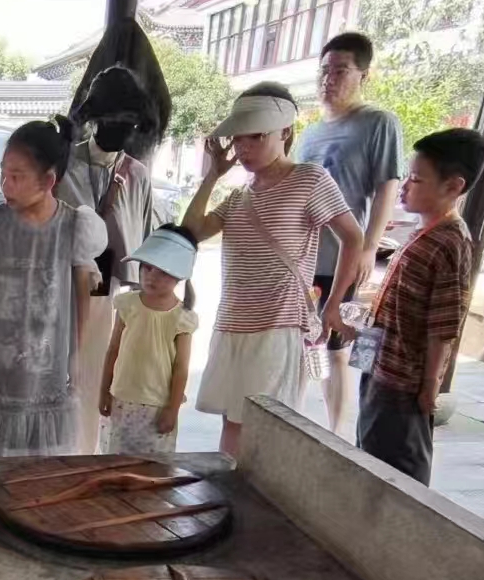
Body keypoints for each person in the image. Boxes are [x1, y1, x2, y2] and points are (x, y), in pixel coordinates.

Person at [181, 82, 365, 456]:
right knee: (232, 423)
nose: (243, 148)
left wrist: (332, 304)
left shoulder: (310, 179)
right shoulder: (239, 196)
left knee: (267, 427)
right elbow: (191, 231)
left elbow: (353, 237)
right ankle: (228, 498)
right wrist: (213, 175)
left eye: (255, 137)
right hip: (232, 323)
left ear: (285, 132)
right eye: (238, 139)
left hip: (279, 327)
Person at [0, 117, 108, 457]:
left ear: (48, 181)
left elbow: (81, 296)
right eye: (3, 173)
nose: (5, 184)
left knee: (44, 466)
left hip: (50, 369)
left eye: (17, 177)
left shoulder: (75, 225)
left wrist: (76, 354)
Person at [349, 129, 482, 486]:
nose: (405, 186)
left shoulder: (449, 243)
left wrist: (430, 384)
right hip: (380, 364)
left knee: (398, 471)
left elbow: (443, 325)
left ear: (453, 187)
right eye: (408, 176)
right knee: (370, 451)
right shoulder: (425, 233)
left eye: (417, 179)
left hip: (403, 381)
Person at [294, 32, 405, 435]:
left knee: (337, 343)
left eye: (340, 70)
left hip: (344, 259)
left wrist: (368, 249)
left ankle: (336, 433)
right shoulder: (309, 134)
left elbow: (386, 188)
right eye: (324, 70)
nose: (329, 79)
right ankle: (299, 423)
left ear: (363, 75)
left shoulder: (378, 123)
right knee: (306, 343)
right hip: (305, 260)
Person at [60, 66, 163, 454]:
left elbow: (145, 238)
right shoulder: (64, 162)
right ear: (96, 117)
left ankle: (85, 456)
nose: (121, 129)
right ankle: (57, 457)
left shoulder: (136, 174)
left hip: (111, 284)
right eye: (113, 119)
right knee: (64, 372)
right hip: (65, 280)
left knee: (96, 377)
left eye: (129, 122)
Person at [98, 224, 199, 455]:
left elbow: (181, 369)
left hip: (157, 407)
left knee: (152, 471)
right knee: (115, 464)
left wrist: (172, 410)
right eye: (147, 268)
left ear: (179, 275)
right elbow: (112, 350)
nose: (152, 276)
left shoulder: (182, 317)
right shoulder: (127, 304)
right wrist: (104, 390)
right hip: (121, 400)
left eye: (163, 272)